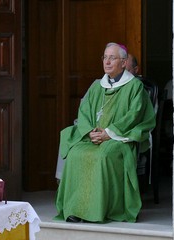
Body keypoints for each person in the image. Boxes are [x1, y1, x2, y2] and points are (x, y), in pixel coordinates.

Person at [54, 42, 156, 223]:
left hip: (121, 139)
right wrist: (90, 132)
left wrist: (109, 133)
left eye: (112, 58)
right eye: (105, 57)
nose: (107, 62)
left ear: (124, 63)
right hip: (94, 137)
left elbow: (134, 115)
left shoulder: (135, 87)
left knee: (104, 155)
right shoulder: (96, 86)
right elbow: (84, 112)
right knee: (76, 153)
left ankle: (101, 209)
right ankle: (76, 209)